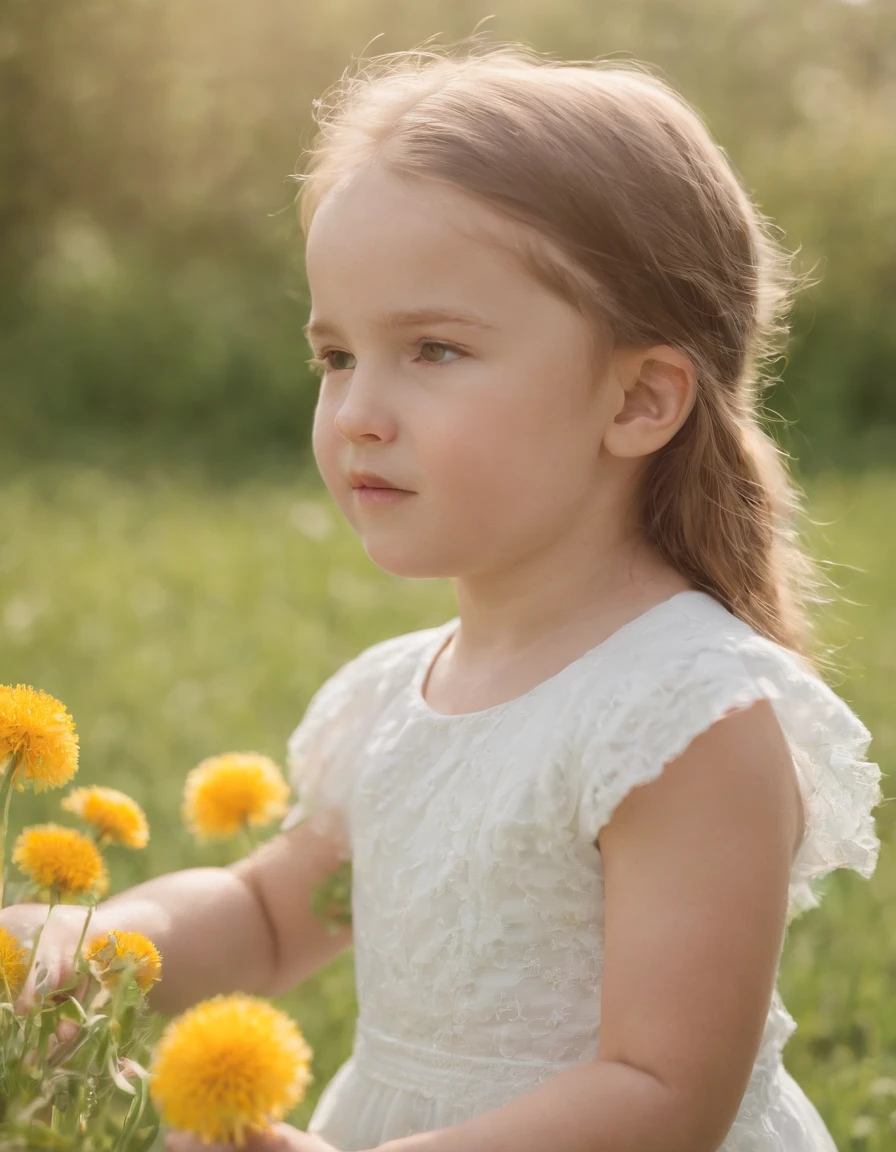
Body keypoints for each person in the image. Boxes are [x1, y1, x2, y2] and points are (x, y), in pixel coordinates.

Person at [4, 42, 882, 1152]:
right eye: (334, 356)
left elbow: (664, 1095)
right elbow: (272, 915)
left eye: (431, 348)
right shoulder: (392, 698)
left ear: (638, 399)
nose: (359, 410)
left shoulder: (679, 715)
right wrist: (89, 947)